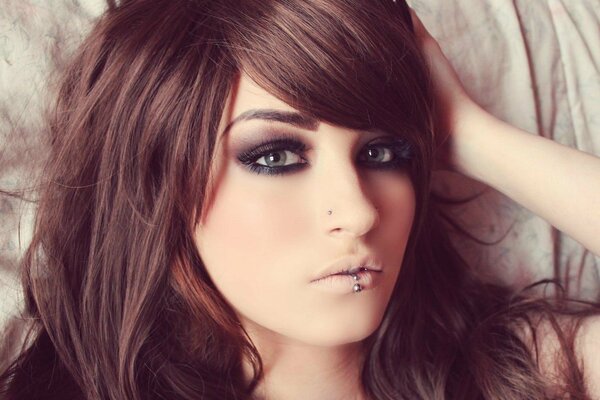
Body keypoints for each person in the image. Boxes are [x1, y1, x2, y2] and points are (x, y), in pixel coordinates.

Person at [1, 0, 599, 398]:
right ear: (157, 184)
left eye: (383, 152)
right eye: (275, 157)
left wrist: (472, 134)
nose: (360, 212)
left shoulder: (517, 372)